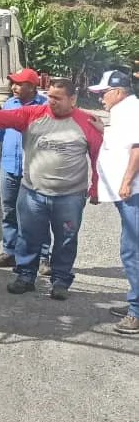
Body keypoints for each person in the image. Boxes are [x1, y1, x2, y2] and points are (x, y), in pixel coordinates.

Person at [0, 79, 102, 300]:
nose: (51, 102)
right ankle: (25, 276)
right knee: (28, 236)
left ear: (73, 99)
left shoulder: (87, 122)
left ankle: (60, 281)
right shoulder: (32, 114)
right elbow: (1, 118)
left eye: (57, 98)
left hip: (70, 196)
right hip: (33, 193)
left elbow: (98, 157)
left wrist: (96, 188)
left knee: (66, 239)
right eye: (50, 96)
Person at [0, 68, 50, 272]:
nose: (14, 87)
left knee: (38, 213)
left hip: (35, 169)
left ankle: (44, 257)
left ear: (32, 87)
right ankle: (10, 252)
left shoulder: (45, 107)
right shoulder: (9, 104)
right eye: (13, 83)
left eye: (19, 84)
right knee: (9, 211)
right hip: (9, 167)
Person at [88, 70, 139, 336]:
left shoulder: (131, 110)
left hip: (133, 193)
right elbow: (122, 140)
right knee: (130, 249)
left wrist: (128, 181)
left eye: (103, 93)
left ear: (118, 91)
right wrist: (102, 128)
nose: (100, 98)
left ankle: (137, 312)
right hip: (127, 192)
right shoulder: (123, 110)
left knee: (134, 251)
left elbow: (137, 148)